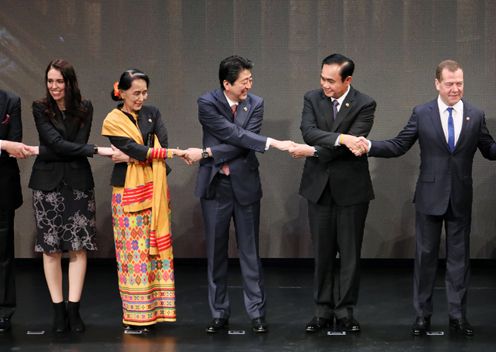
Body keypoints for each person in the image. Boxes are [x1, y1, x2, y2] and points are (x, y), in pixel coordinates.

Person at [356, 60, 496, 336]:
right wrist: (369, 146)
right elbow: (399, 145)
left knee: (459, 260)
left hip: (460, 196)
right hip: (430, 196)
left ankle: (457, 317)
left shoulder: (475, 115)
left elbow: (489, 148)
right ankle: (423, 316)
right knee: (425, 257)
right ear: (437, 84)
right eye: (450, 84)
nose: (456, 89)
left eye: (459, 83)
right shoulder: (422, 113)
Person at [185, 55, 294, 334]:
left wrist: (209, 152)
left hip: (244, 185)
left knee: (250, 251)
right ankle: (219, 312)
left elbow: (243, 142)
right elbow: (234, 135)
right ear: (226, 83)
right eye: (243, 82)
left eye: (250, 80)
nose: (248, 86)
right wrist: (271, 143)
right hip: (216, 186)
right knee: (216, 252)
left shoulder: (255, 103)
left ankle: (256, 313)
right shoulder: (207, 103)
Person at [288, 53, 376, 333]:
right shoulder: (312, 98)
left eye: (331, 80)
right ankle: (322, 310)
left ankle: (346, 311)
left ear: (347, 80)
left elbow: (352, 146)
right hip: (319, 188)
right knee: (323, 253)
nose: (324, 85)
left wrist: (315, 150)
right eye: (322, 78)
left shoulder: (365, 103)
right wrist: (340, 137)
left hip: (351, 189)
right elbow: (309, 131)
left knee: (349, 255)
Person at [28, 59, 113, 333]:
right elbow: (56, 144)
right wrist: (94, 150)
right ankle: (57, 310)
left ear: (69, 82)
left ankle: (74, 310)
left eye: (59, 81)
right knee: (50, 248)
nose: (54, 86)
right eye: (50, 81)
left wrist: (53, 149)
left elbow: (69, 146)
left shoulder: (85, 107)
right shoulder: (40, 107)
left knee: (78, 247)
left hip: (77, 182)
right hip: (47, 184)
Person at [102, 69, 186, 332]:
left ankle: (159, 313)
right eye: (135, 93)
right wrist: (143, 154)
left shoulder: (153, 113)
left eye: (144, 92)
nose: (141, 98)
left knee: (155, 253)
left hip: (155, 189)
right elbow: (134, 148)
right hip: (127, 193)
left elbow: (157, 145)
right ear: (122, 92)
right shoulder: (113, 120)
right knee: (133, 256)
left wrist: (140, 155)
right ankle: (136, 318)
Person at [0, 90, 33, 332]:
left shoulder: (10, 101)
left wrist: (7, 145)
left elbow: (16, 143)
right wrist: (2, 143)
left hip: (2, 186)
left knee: (3, 252)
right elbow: (7, 144)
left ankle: (3, 310)